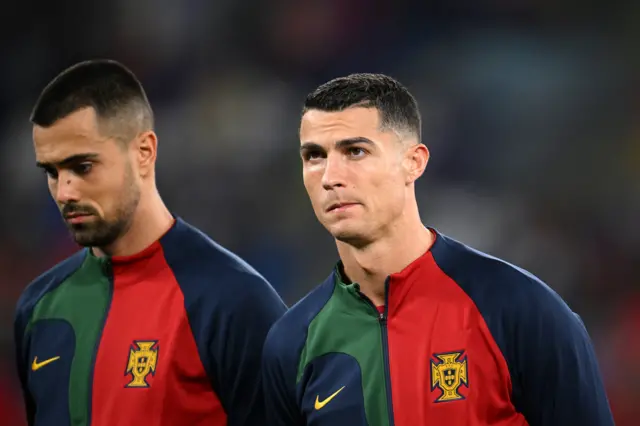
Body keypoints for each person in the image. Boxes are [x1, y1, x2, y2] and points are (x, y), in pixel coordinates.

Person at [261, 73, 614, 425]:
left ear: (414, 162)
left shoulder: (519, 309)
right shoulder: (292, 343)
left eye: (355, 151)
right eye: (314, 156)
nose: (330, 177)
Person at [13, 59, 287, 426]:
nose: (64, 192)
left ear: (144, 153)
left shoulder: (233, 302)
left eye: (83, 167)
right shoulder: (38, 308)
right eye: (51, 171)